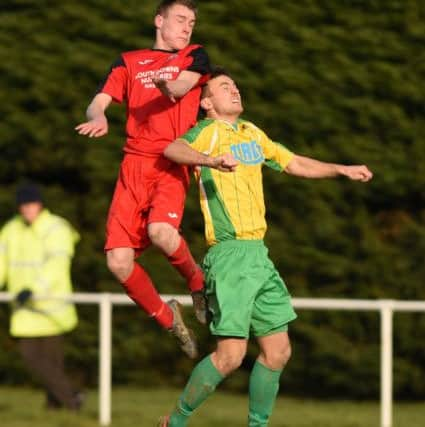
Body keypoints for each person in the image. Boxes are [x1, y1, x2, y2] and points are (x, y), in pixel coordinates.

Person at [158, 67, 373, 426]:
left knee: (278, 351)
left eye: (236, 85)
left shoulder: (251, 132)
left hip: (259, 254)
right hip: (229, 255)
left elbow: (293, 162)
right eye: (225, 87)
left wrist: (341, 169)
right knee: (230, 356)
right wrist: (211, 161)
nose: (235, 90)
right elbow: (172, 148)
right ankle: (176, 421)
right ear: (207, 102)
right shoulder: (208, 133)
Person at [75, 0, 211, 359]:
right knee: (118, 263)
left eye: (192, 22)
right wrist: (100, 116)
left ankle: (198, 284)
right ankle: (170, 321)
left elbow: (184, 84)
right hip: (134, 165)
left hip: (171, 159)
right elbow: (98, 100)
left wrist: (171, 86)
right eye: (180, 19)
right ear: (158, 20)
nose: (187, 27)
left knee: (161, 233)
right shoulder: (129, 61)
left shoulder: (195, 55)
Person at [0, 183, 82, 410]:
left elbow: (57, 265)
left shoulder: (56, 228)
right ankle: (70, 399)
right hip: (25, 309)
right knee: (33, 359)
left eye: (31, 203)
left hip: (52, 308)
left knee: (51, 363)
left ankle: (63, 403)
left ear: (40, 204)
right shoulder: (10, 229)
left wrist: (33, 289)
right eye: (23, 204)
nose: (27, 209)